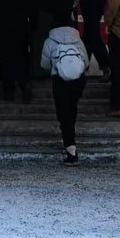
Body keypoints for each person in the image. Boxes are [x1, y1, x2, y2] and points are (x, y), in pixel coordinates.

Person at [42, 18, 93, 163]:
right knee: (71, 108)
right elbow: (86, 62)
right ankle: (70, 135)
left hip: (59, 79)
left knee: (64, 113)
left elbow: (44, 64)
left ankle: (71, 150)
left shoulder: (50, 41)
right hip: (79, 80)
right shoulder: (78, 40)